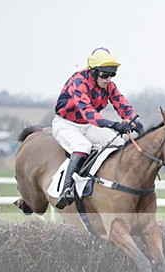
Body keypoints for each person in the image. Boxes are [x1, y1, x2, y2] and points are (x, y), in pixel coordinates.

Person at [51, 47, 145, 209]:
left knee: (120, 144)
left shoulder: (109, 86)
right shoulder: (78, 82)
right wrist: (115, 125)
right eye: (104, 74)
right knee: (83, 146)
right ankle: (66, 190)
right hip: (66, 124)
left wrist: (133, 120)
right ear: (93, 72)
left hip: (87, 126)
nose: (108, 78)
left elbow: (122, 104)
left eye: (112, 74)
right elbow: (89, 114)